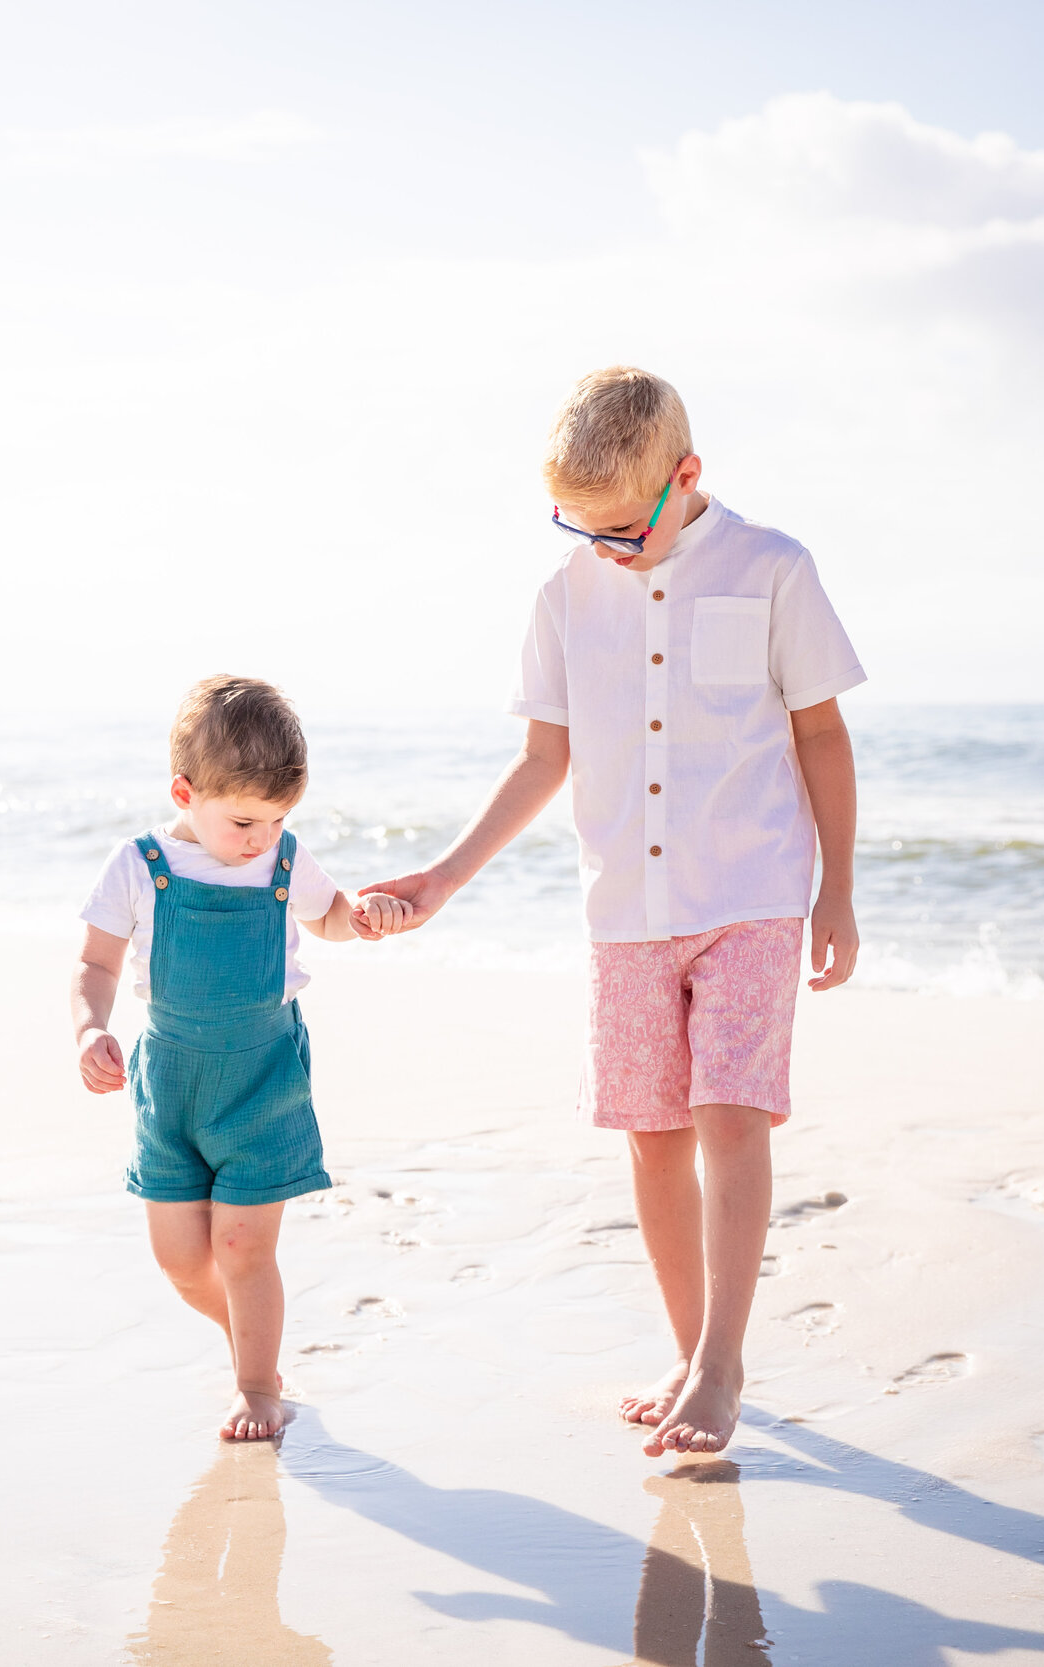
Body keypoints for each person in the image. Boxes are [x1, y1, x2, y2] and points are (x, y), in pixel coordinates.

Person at [360, 366, 865, 1458]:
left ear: (686, 478)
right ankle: (689, 1350)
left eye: (619, 530)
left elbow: (821, 734)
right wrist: (441, 878)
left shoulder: (773, 568)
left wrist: (839, 890)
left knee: (732, 1112)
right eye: (575, 526)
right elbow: (546, 754)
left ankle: (724, 1362)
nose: (602, 548)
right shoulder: (564, 593)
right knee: (649, 1134)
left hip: (752, 895)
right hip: (624, 910)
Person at [73, 674, 412, 1441]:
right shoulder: (139, 865)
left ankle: (259, 1386)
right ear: (184, 791)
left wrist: (367, 914)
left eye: (279, 819)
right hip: (172, 1082)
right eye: (244, 821)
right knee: (183, 1259)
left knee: (242, 1245)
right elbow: (93, 966)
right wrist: (89, 1029)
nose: (261, 837)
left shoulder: (281, 859)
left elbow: (330, 917)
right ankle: (250, 1340)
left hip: (264, 1079)